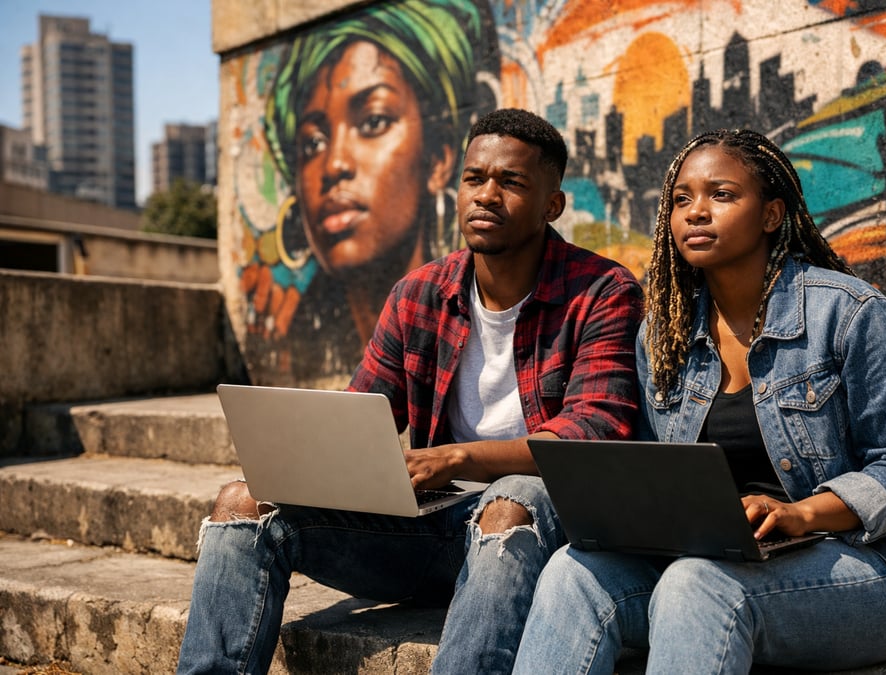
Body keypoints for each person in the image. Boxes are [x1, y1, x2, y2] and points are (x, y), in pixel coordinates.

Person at [176, 108, 645, 674]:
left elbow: (592, 433)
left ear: (552, 205)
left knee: (510, 501)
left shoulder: (602, 291)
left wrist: (457, 457)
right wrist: (313, 456)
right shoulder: (419, 293)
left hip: (537, 532)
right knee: (242, 503)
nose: (486, 195)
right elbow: (360, 414)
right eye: (474, 179)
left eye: (511, 182)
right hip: (431, 527)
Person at [512, 128, 886, 674]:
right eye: (682, 200)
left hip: (865, 567)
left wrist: (802, 513)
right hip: (719, 555)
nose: (696, 213)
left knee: (695, 585)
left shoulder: (851, 315)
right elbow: (660, 471)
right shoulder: (664, 335)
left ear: (772, 215)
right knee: (573, 571)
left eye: (721, 195)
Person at [242, 0, 499, 379]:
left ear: (438, 160)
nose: (334, 165)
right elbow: (365, 410)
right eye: (313, 143)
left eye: (373, 121)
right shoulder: (398, 310)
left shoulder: (496, 308)